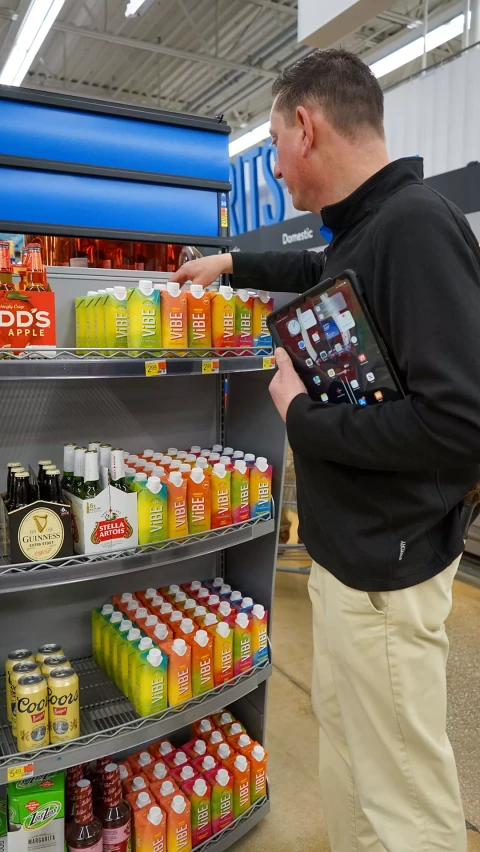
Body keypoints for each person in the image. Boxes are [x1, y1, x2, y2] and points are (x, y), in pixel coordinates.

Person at [170, 48, 480, 852]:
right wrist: (233, 264)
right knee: (351, 765)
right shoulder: (373, 229)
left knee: (406, 805)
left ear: (305, 127)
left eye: (273, 144)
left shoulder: (414, 227)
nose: (273, 167)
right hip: (356, 566)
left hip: (388, 572)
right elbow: (317, 267)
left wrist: (300, 415)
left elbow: (461, 427)